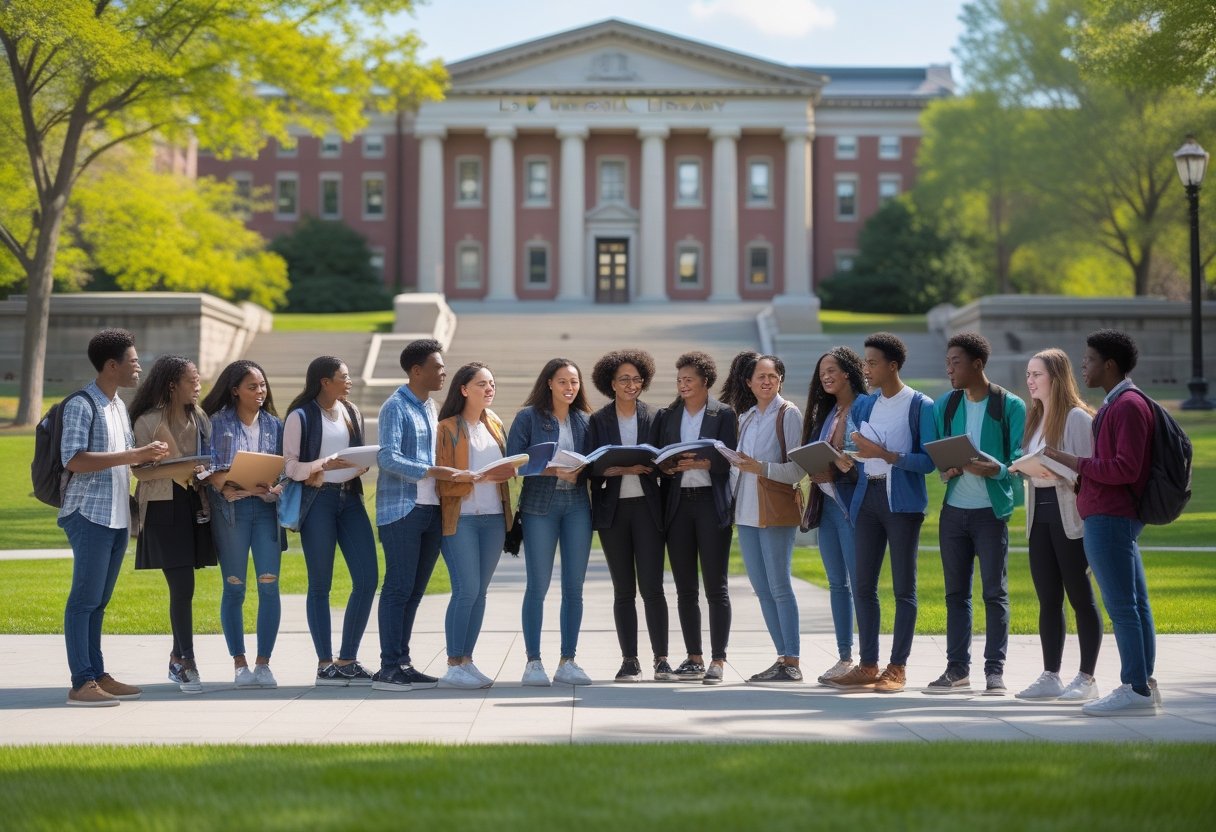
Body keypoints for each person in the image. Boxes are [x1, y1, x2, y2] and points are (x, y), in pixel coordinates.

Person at [1044, 330, 1161, 716]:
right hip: (1109, 512)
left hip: (1110, 516)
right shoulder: (1119, 403)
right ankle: (1144, 683)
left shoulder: (1126, 405)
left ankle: (1135, 687)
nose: (1083, 366)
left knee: (1123, 607)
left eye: (1090, 359)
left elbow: (1125, 468)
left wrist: (1072, 462)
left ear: (1109, 365)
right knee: (1136, 605)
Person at [60, 329, 168, 706]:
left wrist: (144, 456)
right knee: (84, 600)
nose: (139, 367)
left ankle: (98, 673)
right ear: (112, 365)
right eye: (133, 361)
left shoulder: (119, 405)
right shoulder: (81, 405)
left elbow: (124, 458)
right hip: (88, 514)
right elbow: (73, 459)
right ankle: (81, 681)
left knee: (99, 600)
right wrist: (132, 456)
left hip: (118, 516)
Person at [825, 333, 935, 694]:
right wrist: (845, 459)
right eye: (864, 362)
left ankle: (897, 668)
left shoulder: (920, 405)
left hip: (901, 503)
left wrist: (888, 455)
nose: (866, 369)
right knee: (863, 585)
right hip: (866, 498)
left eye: (872, 363)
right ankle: (869, 664)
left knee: (904, 587)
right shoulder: (864, 406)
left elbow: (929, 462)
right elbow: (857, 450)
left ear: (893, 365)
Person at [925, 332, 1025, 696]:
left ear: (977, 364)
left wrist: (996, 469)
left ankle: (994, 671)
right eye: (947, 362)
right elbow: (937, 453)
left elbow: (1020, 460)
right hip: (953, 513)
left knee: (994, 593)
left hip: (990, 513)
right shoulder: (946, 406)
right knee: (955, 594)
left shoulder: (1010, 405)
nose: (949, 368)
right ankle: (956, 669)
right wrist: (945, 469)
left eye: (956, 362)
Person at [374, 339, 475, 692]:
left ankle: (403, 662)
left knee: (414, 591)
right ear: (417, 371)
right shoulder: (394, 407)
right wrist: (433, 471)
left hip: (431, 509)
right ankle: (388, 667)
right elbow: (386, 457)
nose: (444, 371)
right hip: (402, 510)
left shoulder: (431, 408)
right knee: (398, 588)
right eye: (437, 366)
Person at [283, 356, 378, 687]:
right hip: (318, 502)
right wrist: (322, 466)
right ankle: (325, 665)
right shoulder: (301, 416)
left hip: (350, 499)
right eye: (344, 377)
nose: (349, 382)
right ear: (325, 381)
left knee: (368, 578)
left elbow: (355, 457)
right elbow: (291, 467)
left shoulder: (352, 412)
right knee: (320, 584)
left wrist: (361, 464)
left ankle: (347, 660)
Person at [1013, 348, 1101, 702]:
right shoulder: (1035, 419)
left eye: (1037, 374)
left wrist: (1055, 471)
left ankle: (1087, 678)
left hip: (1070, 517)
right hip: (1039, 517)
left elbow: (1089, 472)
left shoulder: (1077, 418)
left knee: (1080, 597)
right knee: (1048, 599)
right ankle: (1051, 675)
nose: (1030, 381)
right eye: (1029, 374)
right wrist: (1022, 467)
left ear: (1056, 377)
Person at [650, 351, 738, 685]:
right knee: (685, 588)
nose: (682, 385)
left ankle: (718, 659)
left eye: (688, 380)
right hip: (678, 506)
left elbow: (729, 458)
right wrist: (669, 465)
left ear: (704, 381)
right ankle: (694, 657)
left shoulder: (724, 414)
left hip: (710, 504)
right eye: (679, 380)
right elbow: (658, 458)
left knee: (716, 586)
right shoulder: (668, 415)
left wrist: (706, 463)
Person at [129, 355, 215, 694]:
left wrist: (200, 471)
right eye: (191, 380)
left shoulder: (200, 418)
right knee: (182, 587)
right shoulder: (147, 421)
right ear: (172, 384)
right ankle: (185, 660)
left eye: (197, 380)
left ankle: (177, 658)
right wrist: (180, 467)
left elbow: (208, 462)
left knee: (186, 586)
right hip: (163, 507)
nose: (197, 386)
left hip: (195, 505)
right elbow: (138, 470)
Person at [586, 349, 673, 683]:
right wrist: (627, 467)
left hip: (649, 510)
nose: (631, 384)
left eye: (637, 379)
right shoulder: (599, 420)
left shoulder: (657, 417)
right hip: (614, 512)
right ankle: (629, 660)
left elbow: (665, 460)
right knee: (623, 589)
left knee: (653, 588)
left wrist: (656, 465)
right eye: (624, 379)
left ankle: (661, 659)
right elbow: (593, 467)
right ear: (611, 383)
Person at [507, 358, 594, 686]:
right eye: (562, 381)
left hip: (576, 507)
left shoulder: (585, 420)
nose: (570, 387)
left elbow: (593, 462)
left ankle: (568, 660)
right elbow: (513, 463)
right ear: (549, 383)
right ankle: (533, 662)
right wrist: (553, 470)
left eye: (574, 381)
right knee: (538, 585)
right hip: (539, 507)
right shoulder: (528, 417)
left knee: (574, 587)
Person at [202, 359, 284, 689]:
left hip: (266, 514)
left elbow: (287, 470)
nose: (260, 391)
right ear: (235, 390)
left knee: (269, 585)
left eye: (263, 385)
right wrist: (224, 484)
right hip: (230, 515)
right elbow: (201, 468)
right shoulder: (215, 423)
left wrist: (277, 489)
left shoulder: (276, 426)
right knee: (234, 587)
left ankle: (263, 664)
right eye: (253, 387)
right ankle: (239, 664)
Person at [726, 353, 807, 684]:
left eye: (772, 376)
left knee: (779, 585)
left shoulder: (789, 414)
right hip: (745, 512)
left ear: (780, 380)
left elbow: (799, 468)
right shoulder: (745, 417)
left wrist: (761, 467)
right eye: (760, 376)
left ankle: (793, 661)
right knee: (761, 588)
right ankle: (781, 658)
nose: (766, 381)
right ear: (748, 382)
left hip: (774, 510)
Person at [434, 363, 515, 689]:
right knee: (466, 589)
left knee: (479, 592)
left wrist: (509, 470)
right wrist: (467, 479)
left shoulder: (494, 422)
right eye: (482, 384)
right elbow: (438, 476)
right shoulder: (446, 428)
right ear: (464, 389)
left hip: (494, 518)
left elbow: (503, 468)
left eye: (492, 383)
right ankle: (453, 664)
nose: (489, 389)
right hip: (461, 518)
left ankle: (467, 660)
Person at [801, 347, 867, 685]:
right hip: (826, 508)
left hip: (851, 508)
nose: (825, 376)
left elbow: (868, 458)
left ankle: (869, 660)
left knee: (859, 584)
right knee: (837, 584)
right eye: (821, 371)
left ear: (848, 372)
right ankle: (845, 657)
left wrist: (839, 469)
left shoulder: (863, 407)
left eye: (832, 370)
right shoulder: (828, 412)